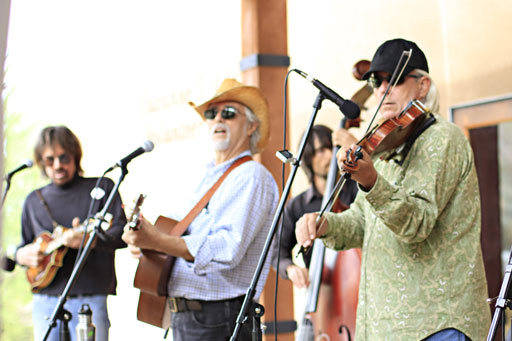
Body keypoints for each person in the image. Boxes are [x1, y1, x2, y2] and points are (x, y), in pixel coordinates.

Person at [295, 38, 491, 340]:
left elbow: (417, 222)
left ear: (423, 85)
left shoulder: (442, 139)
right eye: (376, 80)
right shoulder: (382, 149)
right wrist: (323, 224)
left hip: (436, 324)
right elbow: (362, 223)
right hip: (383, 326)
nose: (383, 89)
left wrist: (371, 180)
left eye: (395, 79)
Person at [122, 78, 279, 341]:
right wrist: (146, 243)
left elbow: (227, 248)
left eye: (228, 113)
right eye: (211, 113)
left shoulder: (251, 176)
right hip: (193, 316)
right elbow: (174, 235)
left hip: (220, 317)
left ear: (251, 126)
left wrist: (158, 241)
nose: (218, 119)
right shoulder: (205, 176)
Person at [15, 126, 127, 341]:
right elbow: (21, 248)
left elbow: (121, 232)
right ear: (41, 161)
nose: (57, 165)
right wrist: (23, 255)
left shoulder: (102, 187)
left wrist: (89, 241)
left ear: (75, 156)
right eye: (50, 160)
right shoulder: (33, 200)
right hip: (45, 300)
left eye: (64, 157)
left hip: (90, 299)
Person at [272, 124, 358, 288]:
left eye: (332, 148)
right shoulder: (297, 206)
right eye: (321, 150)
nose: (330, 155)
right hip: (321, 290)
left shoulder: (356, 189)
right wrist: (290, 269)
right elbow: (277, 253)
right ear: (308, 159)